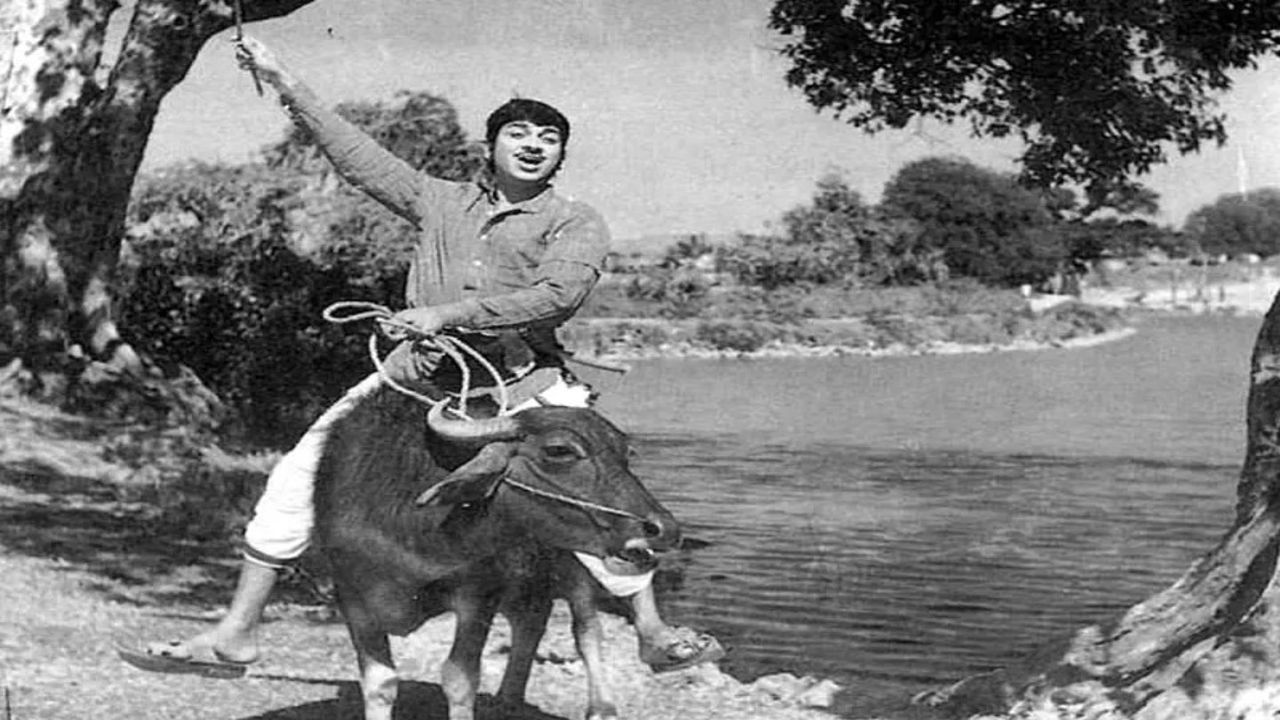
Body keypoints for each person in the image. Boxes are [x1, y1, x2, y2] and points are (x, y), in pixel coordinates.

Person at [123, 36, 723, 677]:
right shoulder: (439, 199)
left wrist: (446, 315)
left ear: (560, 156)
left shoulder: (576, 221)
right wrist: (281, 78)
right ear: (489, 147)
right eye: (518, 133)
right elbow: (356, 156)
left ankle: (652, 631)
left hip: (524, 381)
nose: (533, 144)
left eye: (549, 138)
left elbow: (558, 295)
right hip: (413, 378)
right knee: (294, 481)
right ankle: (235, 635)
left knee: (600, 483)